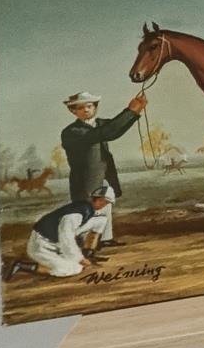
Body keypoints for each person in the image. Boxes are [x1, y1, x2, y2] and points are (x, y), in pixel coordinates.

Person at [61, 89, 145, 244]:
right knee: (88, 209)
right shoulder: (71, 132)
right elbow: (109, 132)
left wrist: (135, 112)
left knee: (106, 206)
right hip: (86, 179)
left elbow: (117, 128)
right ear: (73, 111)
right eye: (80, 108)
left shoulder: (100, 124)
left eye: (90, 106)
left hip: (105, 176)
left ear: (95, 107)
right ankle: (84, 242)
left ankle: (105, 238)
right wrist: (130, 111)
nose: (86, 110)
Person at [24, 184, 115, 279]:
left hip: (57, 242)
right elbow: (66, 239)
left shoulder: (87, 208)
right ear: (96, 199)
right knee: (74, 268)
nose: (103, 205)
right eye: (103, 202)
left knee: (101, 220)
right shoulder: (75, 214)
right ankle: (21, 266)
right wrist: (80, 259)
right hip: (42, 245)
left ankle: (88, 254)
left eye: (106, 203)